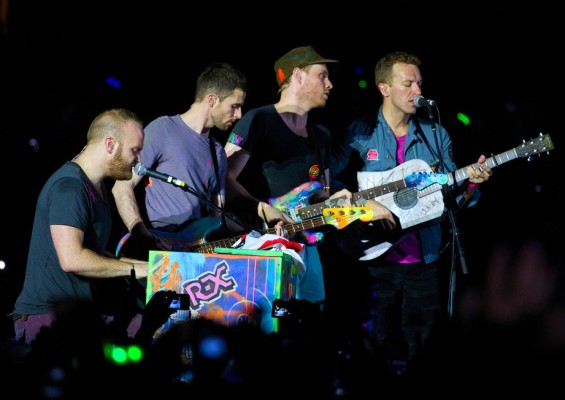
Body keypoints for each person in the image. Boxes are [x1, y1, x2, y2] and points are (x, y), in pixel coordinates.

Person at [331, 51, 493, 376]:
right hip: (375, 260)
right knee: (372, 351)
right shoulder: (359, 133)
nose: (417, 91)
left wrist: (470, 186)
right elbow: (328, 183)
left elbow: (448, 198)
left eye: (419, 83)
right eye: (407, 84)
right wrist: (357, 204)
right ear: (384, 88)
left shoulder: (436, 135)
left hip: (425, 261)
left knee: (425, 353)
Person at [223, 46, 395, 322]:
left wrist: (356, 204)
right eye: (322, 76)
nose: (330, 84)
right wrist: (262, 210)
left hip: (307, 245)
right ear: (298, 76)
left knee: (312, 321)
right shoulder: (259, 119)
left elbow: (321, 193)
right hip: (264, 243)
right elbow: (223, 178)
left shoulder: (321, 136)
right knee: (270, 323)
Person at [11, 108, 149, 345]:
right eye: (134, 151)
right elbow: (72, 259)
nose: (138, 161)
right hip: (49, 317)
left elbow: (92, 252)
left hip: (80, 313)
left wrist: (150, 266)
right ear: (110, 144)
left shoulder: (98, 188)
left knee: (156, 328)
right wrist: (136, 270)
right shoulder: (70, 188)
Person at [111, 62, 249, 258]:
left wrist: (257, 234)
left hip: (193, 257)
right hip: (158, 247)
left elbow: (216, 217)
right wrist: (140, 231)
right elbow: (121, 187)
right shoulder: (163, 129)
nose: (239, 115)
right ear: (212, 100)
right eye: (234, 106)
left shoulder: (217, 152)